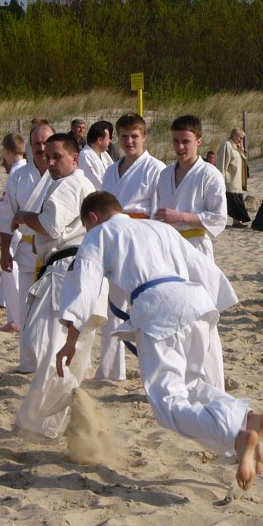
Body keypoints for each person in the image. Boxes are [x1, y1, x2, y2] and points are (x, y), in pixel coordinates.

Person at [54, 192, 263, 491]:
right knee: (193, 385)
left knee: (167, 402)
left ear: (93, 218)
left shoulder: (99, 234)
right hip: (196, 302)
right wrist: (214, 305)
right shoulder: (158, 227)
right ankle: (250, 420)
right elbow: (201, 266)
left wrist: (71, 340)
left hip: (159, 309)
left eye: (88, 225)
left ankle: (237, 438)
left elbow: (85, 285)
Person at [13, 133, 97, 436]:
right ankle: (54, 420)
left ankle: (65, 403)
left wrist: (24, 216)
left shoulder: (69, 184)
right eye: (46, 157)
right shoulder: (83, 185)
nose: (50, 162)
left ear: (75, 158)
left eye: (57, 156)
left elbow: (50, 225)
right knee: (68, 351)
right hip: (81, 269)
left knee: (43, 344)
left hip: (66, 269)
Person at [98, 113, 165, 381]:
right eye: (124, 137)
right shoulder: (110, 170)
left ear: (144, 137)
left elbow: (158, 213)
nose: (129, 142)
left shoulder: (156, 168)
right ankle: (111, 370)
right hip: (113, 243)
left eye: (134, 136)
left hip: (141, 244)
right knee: (112, 309)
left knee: (144, 309)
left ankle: (154, 369)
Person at [0, 123, 55, 371]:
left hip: (56, 251)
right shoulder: (19, 176)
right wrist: (5, 251)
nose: (41, 148)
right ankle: (29, 363)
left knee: (54, 310)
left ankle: (53, 363)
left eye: (45, 142)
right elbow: (7, 215)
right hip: (27, 250)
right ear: (29, 145)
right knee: (27, 310)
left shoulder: (64, 172)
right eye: (36, 143)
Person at [154, 115, 227, 263]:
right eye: (176, 141)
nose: (180, 147)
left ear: (198, 141)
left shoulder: (210, 174)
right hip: (167, 246)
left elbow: (219, 217)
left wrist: (180, 217)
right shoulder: (165, 174)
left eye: (186, 141)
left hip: (195, 247)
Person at [0, 132, 27, 333]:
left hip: (16, 232)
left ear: (6, 151)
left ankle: (16, 320)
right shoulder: (27, 169)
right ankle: (16, 318)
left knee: (12, 278)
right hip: (24, 231)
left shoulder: (16, 173)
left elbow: (8, 208)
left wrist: (1, 230)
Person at [216, 127, 251, 228]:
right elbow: (222, 164)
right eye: (240, 138)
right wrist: (220, 180)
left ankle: (236, 222)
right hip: (229, 182)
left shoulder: (236, 147)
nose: (241, 140)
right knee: (230, 203)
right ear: (235, 136)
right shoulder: (226, 145)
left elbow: (244, 159)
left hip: (237, 181)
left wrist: (241, 149)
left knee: (236, 203)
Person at [78, 120, 114, 189]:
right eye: (108, 138)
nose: (110, 140)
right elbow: (96, 184)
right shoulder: (85, 156)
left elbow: (115, 173)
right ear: (100, 140)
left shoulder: (104, 154)